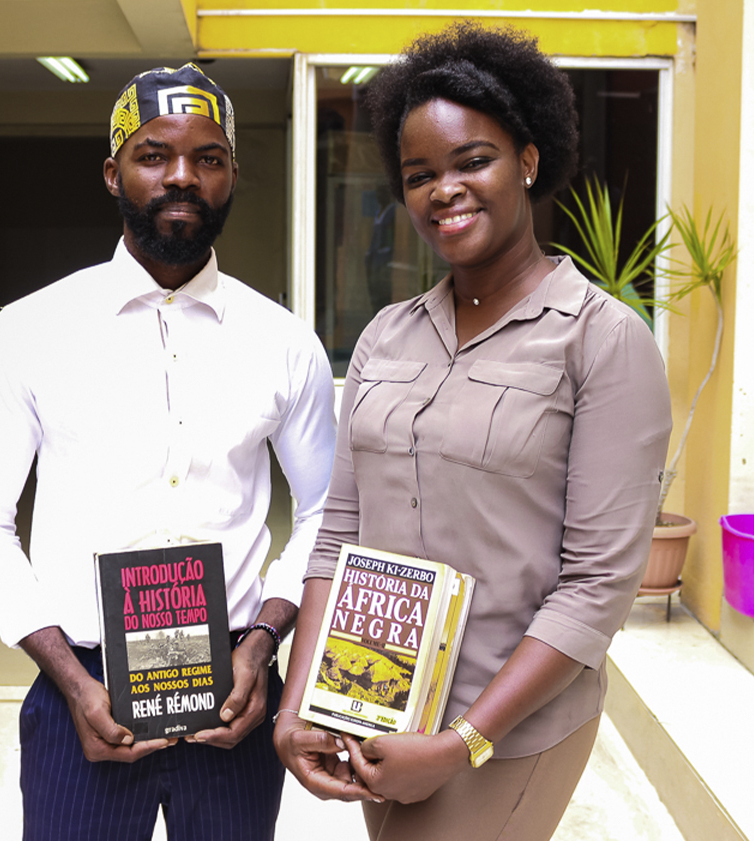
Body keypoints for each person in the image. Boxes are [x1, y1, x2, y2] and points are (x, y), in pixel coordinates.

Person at [274, 23, 672, 841]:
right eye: (420, 175)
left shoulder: (601, 340)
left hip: (506, 732)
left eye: (472, 161)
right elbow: (339, 531)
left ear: (527, 159)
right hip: (380, 710)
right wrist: (297, 702)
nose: (443, 190)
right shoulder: (385, 336)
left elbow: (597, 585)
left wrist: (462, 744)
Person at [0, 63, 336, 841]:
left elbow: (329, 509)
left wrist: (264, 641)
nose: (182, 176)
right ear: (112, 172)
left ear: (233, 175)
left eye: (209, 158)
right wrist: (70, 678)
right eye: (154, 155)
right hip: (80, 685)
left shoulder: (284, 343)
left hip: (234, 686)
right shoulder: (31, 330)